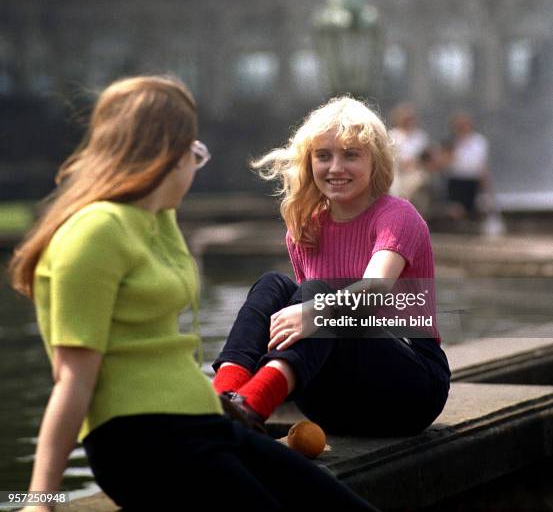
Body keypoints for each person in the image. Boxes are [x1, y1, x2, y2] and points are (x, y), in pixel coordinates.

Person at [8, 77, 374, 511]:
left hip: (207, 423)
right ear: (168, 154)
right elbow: (72, 380)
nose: (194, 164)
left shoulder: (158, 221)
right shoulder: (94, 233)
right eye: (192, 152)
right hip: (145, 441)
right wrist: (39, 500)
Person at [212, 96, 450, 437]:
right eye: (323, 156)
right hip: (331, 401)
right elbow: (305, 338)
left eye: (351, 154)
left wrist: (313, 313)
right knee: (272, 286)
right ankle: (222, 402)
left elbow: (375, 289)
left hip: (408, 389)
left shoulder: (397, 216)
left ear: (375, 161)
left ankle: (252, 403)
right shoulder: (305, 227)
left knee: (315, 296)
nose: (335, 167)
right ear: (309, 163)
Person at [444, 112, 490, 219]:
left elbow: (482, 165)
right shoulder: (451, 142)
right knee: (456, 209)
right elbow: (444, 164)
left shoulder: (479, 141)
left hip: (473, 180)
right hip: (456, 180)